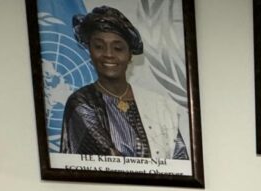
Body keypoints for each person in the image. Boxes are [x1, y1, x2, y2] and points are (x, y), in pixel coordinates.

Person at [60, 5, 188, 160]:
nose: (108, 54)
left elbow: (180, 165)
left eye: (118, 48)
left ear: (130, 55)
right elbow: (112, 162)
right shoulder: (82, 102)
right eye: (99, 46)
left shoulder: (159, 106)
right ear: (90, 51)